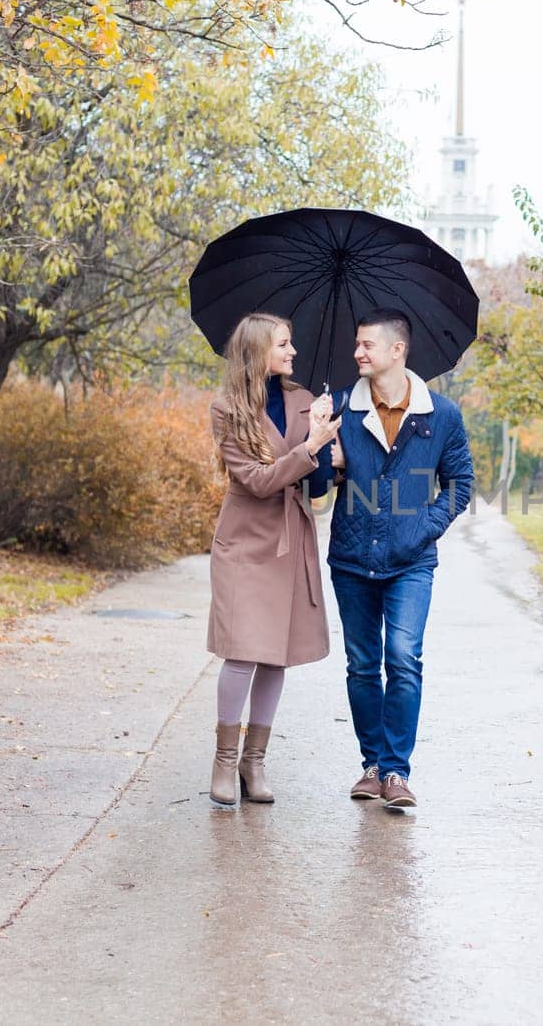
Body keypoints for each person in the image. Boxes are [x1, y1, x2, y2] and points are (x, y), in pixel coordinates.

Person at [326, 307, 474, 810]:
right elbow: (312, 484)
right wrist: (325, 453)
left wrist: (424, 528)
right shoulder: (340, 408)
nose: (357, 353)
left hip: (411, 561)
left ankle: (396, 772)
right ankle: (372, 765)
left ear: (397, 350)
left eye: (367, 345)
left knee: (404, 660)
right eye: (356, 344)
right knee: (363, 664)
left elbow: (460, 485)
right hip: (351, 557)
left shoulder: (442, 415)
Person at [206, 312, 340, 806]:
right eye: (284, 344)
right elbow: (258, 481)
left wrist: (326, 447)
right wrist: (310, 447)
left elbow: (318, 485)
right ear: (258, 349)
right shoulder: (227, 410)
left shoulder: (305, 401)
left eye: (292, 344)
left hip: (291, 537)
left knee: (276, 655)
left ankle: (253, 762)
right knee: (242, 650)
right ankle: (223, 761)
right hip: (244, 542)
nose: (292, 352)